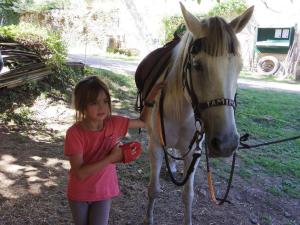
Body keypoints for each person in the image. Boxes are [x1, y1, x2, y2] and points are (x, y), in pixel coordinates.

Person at [64, 75, 162, 225]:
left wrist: (151, 97)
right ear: (81, 105)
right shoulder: (74, 133)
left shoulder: (114, 123)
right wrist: (111, 158)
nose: (102, 107)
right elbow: (80, 172)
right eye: (94, 103)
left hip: (103, 192)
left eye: (105, 101)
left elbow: (143, 122)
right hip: (79, 193)